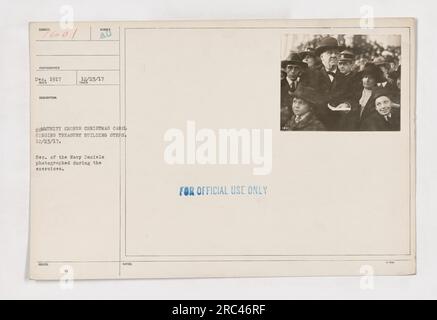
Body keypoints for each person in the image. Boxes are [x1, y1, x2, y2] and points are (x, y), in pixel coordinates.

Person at [308, 36, 352, 130]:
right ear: (322, 57)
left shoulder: (347, 77)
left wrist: (347, 105)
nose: (333, 55)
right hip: (315, 124)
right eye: (329, 53)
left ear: (339, 56)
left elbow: (352, 98)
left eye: (336, 53)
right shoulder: (311, 74)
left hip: (339, 125)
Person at [280, 53, 308, 127]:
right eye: (290, 68)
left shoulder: (304, 85)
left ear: (300, 70)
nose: (293, 71)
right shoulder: (279, 85)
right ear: (285, 69)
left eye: (296, 68)